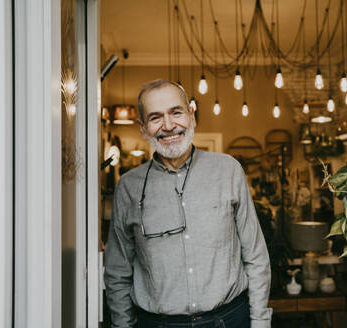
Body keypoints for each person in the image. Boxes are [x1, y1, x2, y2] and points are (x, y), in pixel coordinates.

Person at [105, 79, 272, 328]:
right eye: (155, 117)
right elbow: (117, 273)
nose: (169, 126)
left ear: (191, 116)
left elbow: (256, 256)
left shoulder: (228, 170)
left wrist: (260, 322)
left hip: (228, 320)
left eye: (176, 112)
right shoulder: (129, 187)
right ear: (142, 128)